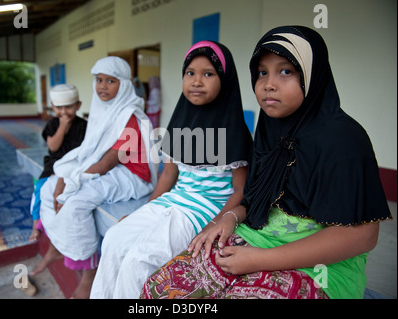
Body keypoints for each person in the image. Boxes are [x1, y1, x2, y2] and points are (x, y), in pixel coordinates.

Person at [141, 26, 393, 300]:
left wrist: (259, 260)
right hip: (257, 238)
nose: (268, 84)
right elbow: (252, 198)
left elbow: (362, 236)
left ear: (312, 74)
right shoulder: (269, 130)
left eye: (285, 71)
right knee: (161, 288)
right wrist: (227, 219)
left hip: (322, 269)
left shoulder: (343, 138)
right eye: (262, 72)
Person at [90, 41, 253, 299]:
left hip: (202, 211)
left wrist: (215, 225)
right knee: (113, 238)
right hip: (172, 201)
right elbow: (168, 175)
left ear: (225, 79)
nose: (197, 81)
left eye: (208, 74)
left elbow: (240, 191)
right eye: (190, 73)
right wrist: (141, 212)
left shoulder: (234, 132)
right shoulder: (178, 123)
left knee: (139, 261)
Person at [33, 56, 158, 299]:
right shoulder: (104, 110)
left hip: (133, 175)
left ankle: (88, 272)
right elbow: (91, 151)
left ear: (123, 84)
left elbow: (108, 160)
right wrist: (65, 176)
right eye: (99, 80)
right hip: (112, 169)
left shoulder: (130, 115)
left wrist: (73, 180)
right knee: (48, 187)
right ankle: (60, 246)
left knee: (77, 201)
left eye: (110, 81)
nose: (102, 86)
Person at [29, 84, 87, 243]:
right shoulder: (53, 124)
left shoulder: (83, 126)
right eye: (59, 107)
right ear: (53, 107)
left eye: (68, 107)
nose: (63, 112)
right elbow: (53, 146)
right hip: (53, 164)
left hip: (75, 165)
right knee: (40, 188)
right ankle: (35, 223)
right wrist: (63, 126)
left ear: (78, 105)